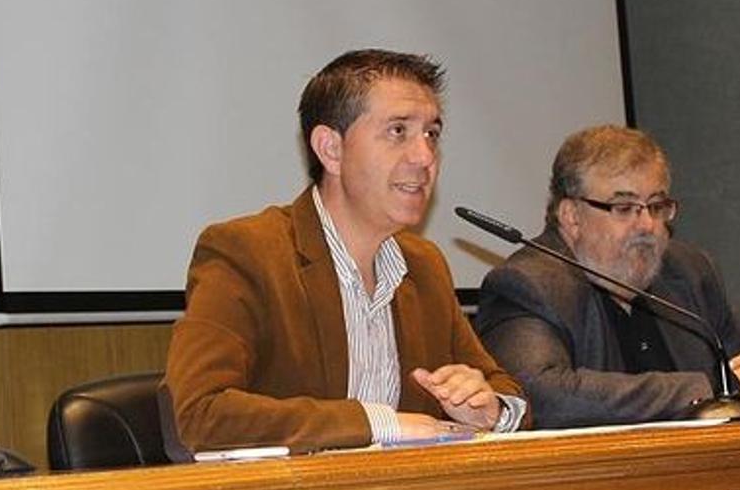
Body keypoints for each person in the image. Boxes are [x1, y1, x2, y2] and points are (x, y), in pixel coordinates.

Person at [163, 49, 528, 455]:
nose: (425, 157)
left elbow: (503, 389)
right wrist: (378, 423)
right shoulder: (246, 252)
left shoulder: (424, 266)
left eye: (432, 134)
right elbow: (201, 412)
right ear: (330, 148)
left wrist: (490, 409)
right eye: (398, 132)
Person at [475, 125, 740, 428]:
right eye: (624, 207)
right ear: (571, 216)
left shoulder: (687, 271)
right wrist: (711, 391)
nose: (647, 225)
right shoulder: (529, 283)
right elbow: (539, 395)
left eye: (657, 206)